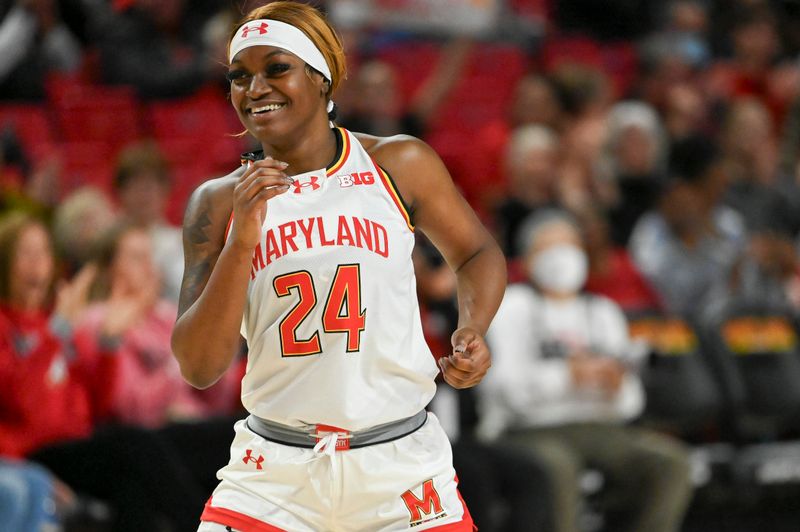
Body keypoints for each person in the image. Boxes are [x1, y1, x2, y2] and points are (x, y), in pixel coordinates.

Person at [170, 3, 506, 531]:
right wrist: (242, 242)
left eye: (276, 68)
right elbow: (198, 366)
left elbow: (477, 253)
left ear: (322, 79)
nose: (254, 88)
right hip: (276, 472)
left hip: (399, 467)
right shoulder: (215, 204)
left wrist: (473, 327)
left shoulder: (398, 164)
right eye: (239, 77)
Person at [477, 209, 692, 532]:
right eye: (550, 248)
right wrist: (568, 377)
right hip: (529, 431)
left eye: (570, 246)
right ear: (529, 258)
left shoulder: (602, 311)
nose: (563, 258)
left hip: (602, 427)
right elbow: (504, 390)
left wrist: (616, 384)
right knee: (557, 467)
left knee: (671, 463)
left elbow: (631, 402)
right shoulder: (511, 308)